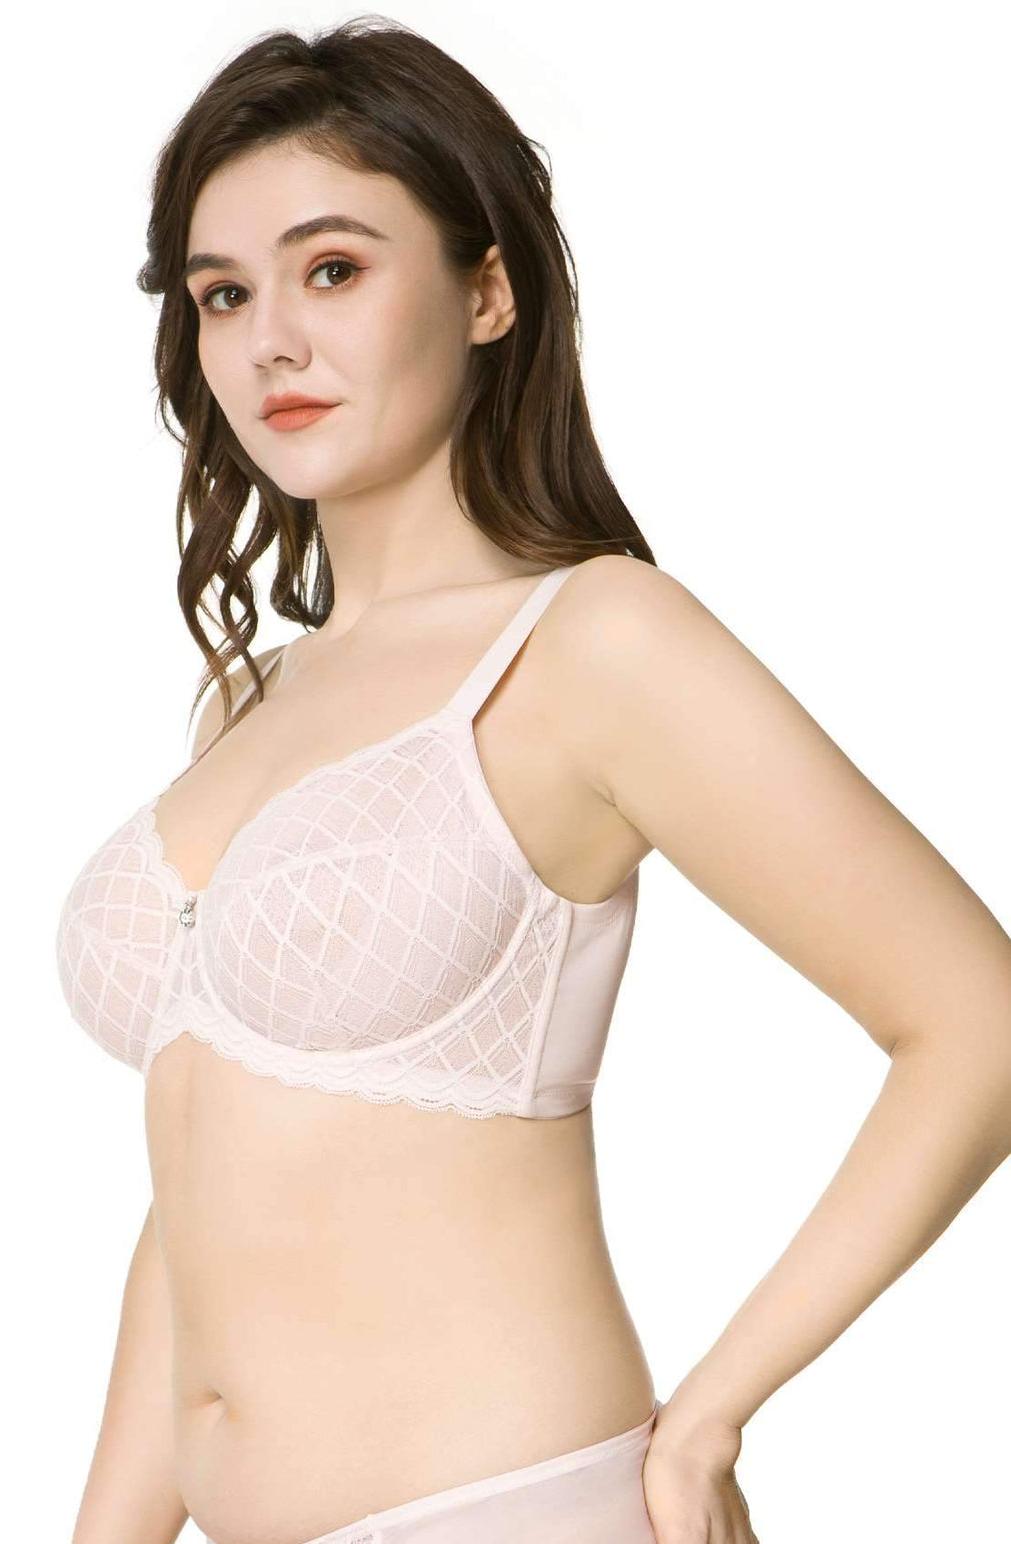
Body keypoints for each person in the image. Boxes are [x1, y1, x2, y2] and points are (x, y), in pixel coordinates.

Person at [56, 19, 1011, 1544]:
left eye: (331, 270)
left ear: (486, 291)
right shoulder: (247, 700)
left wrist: (707, 1421)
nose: (269, 342)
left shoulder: (593, 644)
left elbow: (976, 1020)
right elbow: (206, 1184)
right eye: (222, 294)